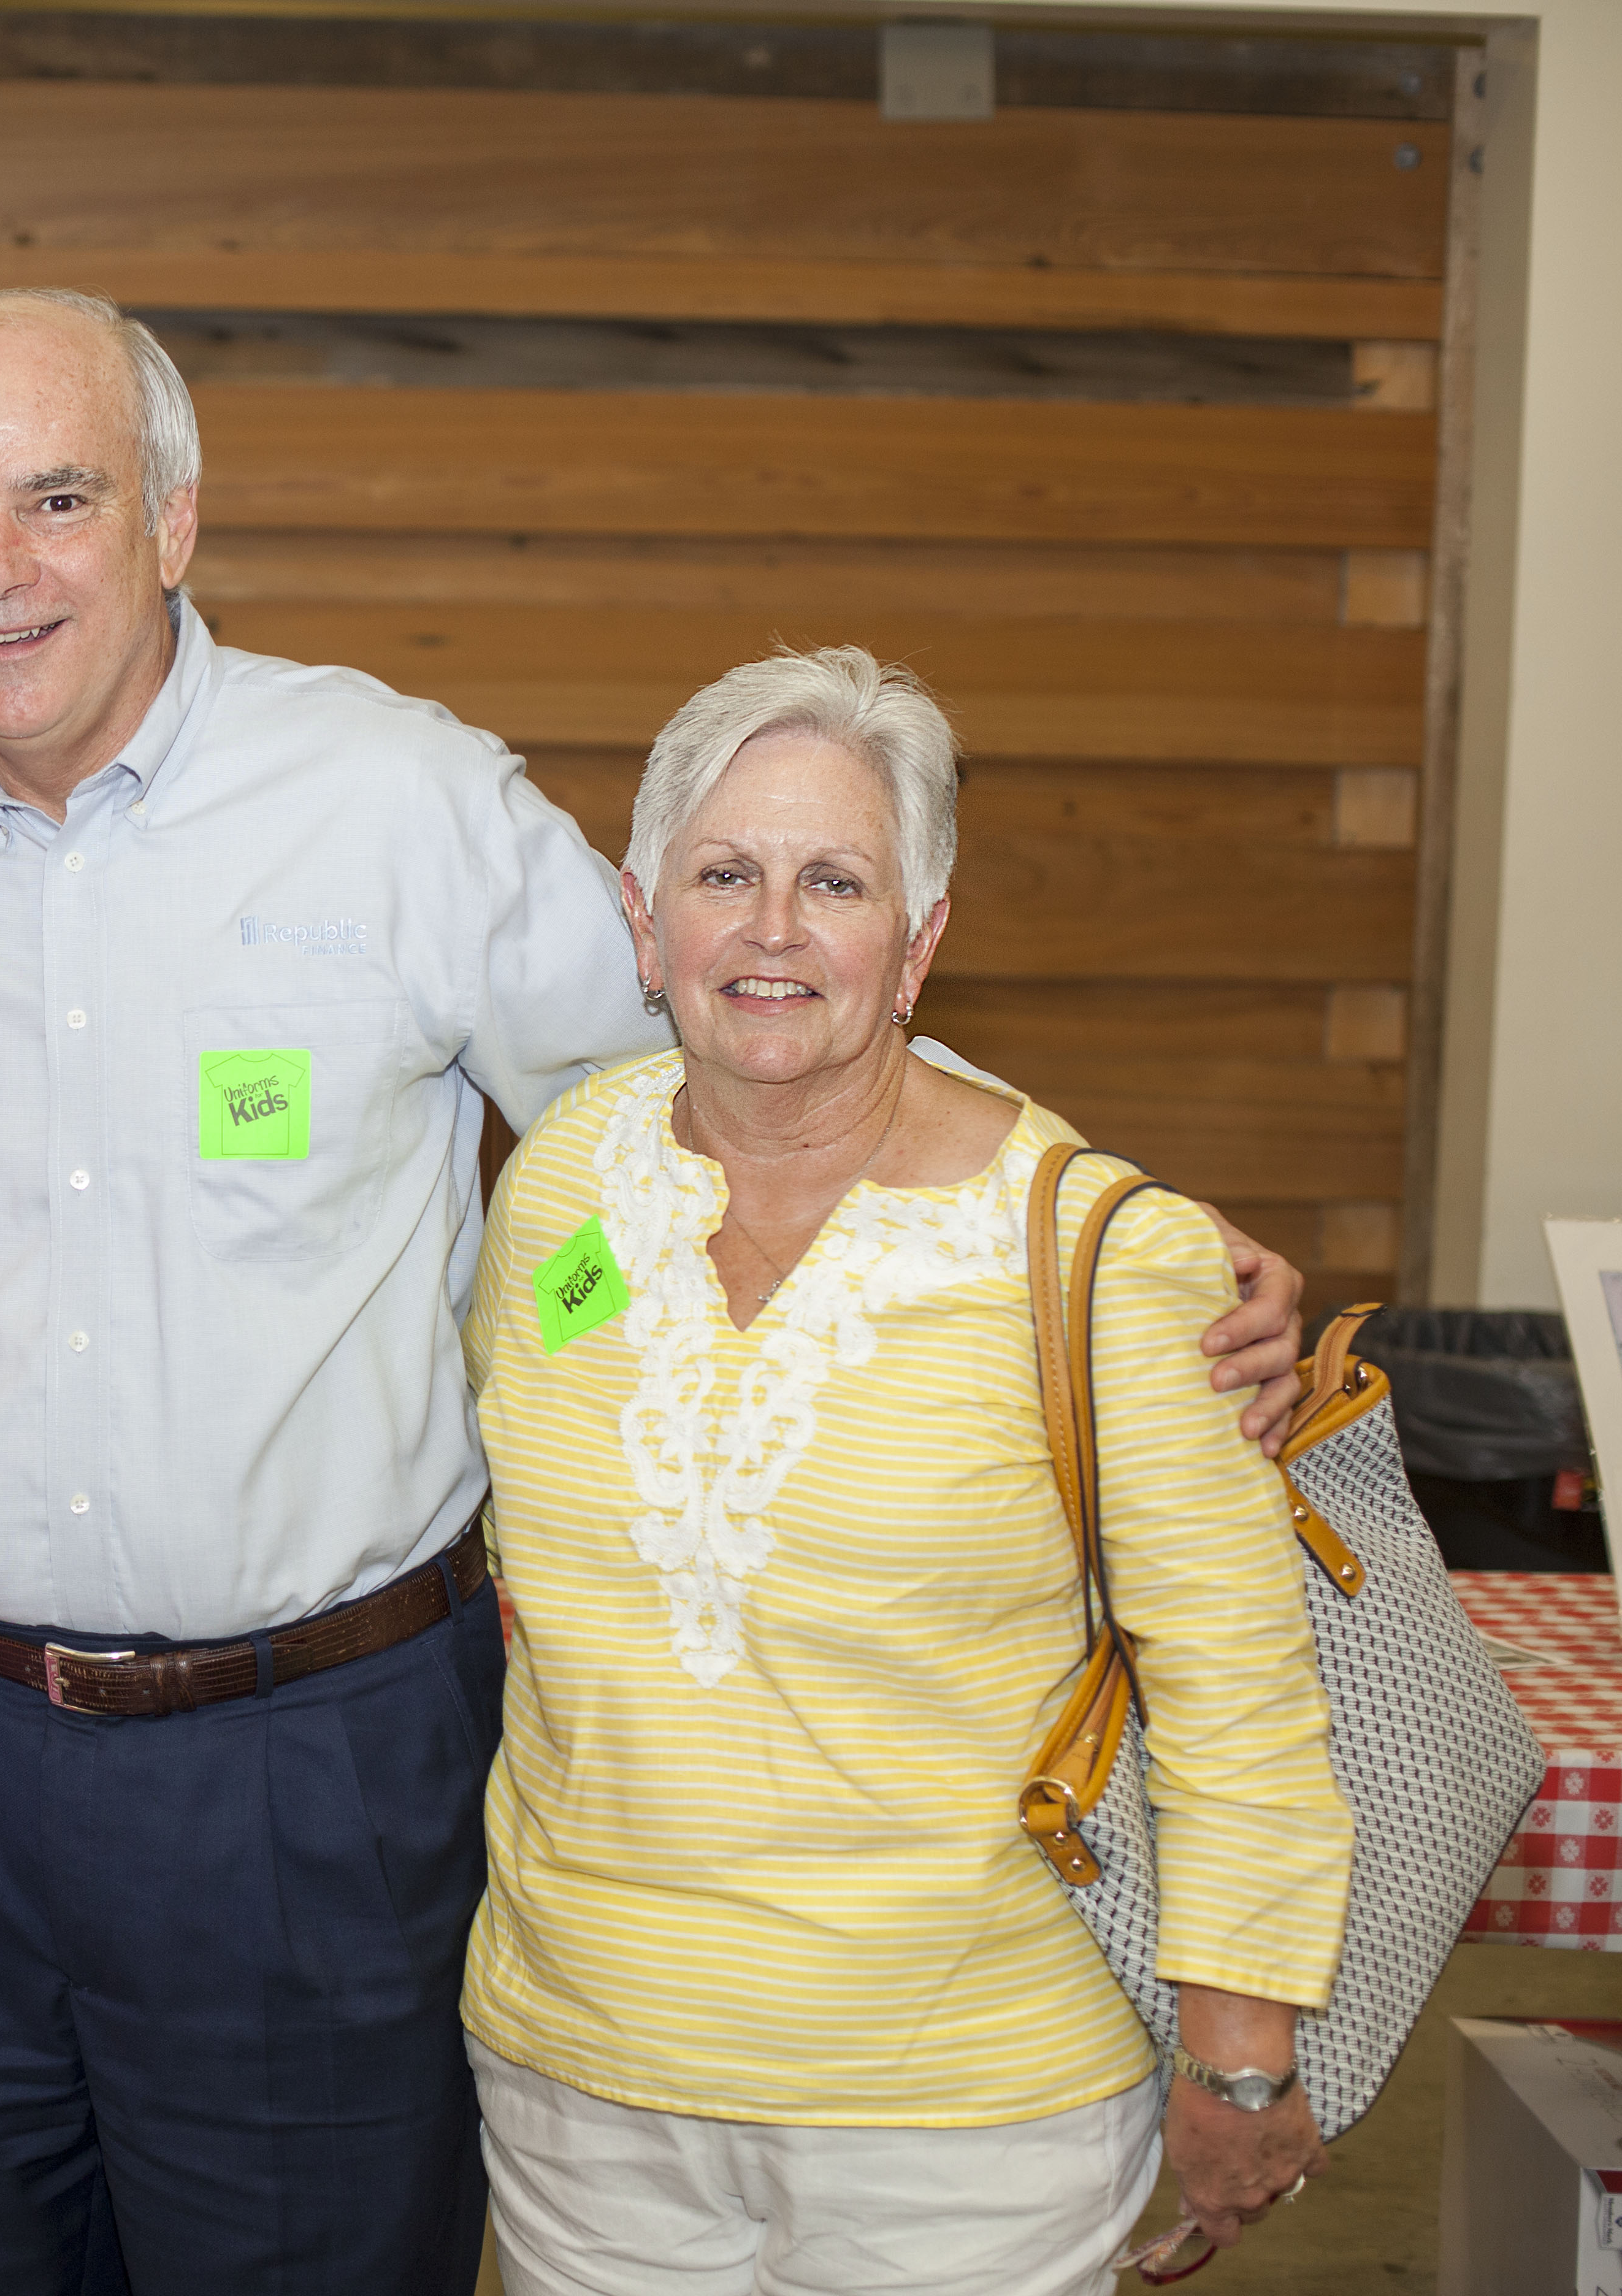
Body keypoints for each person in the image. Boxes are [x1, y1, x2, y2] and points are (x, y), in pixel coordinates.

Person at [0, 288, 1318, 2292]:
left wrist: (1097, 1236)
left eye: (58, 498)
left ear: (174, 517)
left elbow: (752, 1024)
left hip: (307, 1758)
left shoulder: (398, 804)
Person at [459, 646, 1346, 2295]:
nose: (772, 929)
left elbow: (1237, 1683)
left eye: (835, 882)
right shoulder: (562, 1182)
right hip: (582, 2079)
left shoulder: (1095, 1251)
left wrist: (1241, 2056)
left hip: (969, 2119)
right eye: (722, 875)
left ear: (919, 941)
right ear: (645, 925)